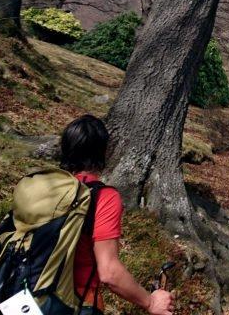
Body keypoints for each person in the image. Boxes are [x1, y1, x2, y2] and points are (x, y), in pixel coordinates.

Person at [59, 114, 174, 315]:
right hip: (75, 303)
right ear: (105, 151)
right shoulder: (103, 197)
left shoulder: (45, 190)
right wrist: (150, 302)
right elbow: (109, 272)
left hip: (23, 297)